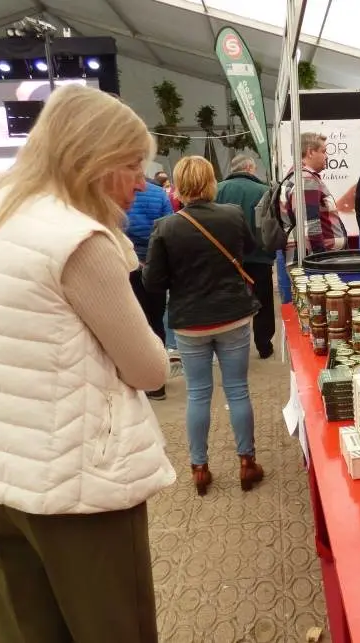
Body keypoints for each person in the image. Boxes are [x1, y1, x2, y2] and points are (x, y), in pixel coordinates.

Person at [0, 84, 174, 643]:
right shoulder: (77, 239)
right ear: (92, 158)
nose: (139, 181)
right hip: (72, 489)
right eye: (130, 164)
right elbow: (150, 369)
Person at [143, 155, 263, 496]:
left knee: (198, 393)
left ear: (179, 185)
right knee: (237, 389)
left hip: (189, 321)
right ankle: (246, 462)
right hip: (233, 314)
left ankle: (199, 467)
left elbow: (153, 282)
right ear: (211, 182)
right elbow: (251, 252)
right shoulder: (232, 216)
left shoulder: (166, 227)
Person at [217, 154, 274, 359]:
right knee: (263, 302)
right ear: (250, 168)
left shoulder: (217, 189)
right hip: (259, 256)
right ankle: (264, 345)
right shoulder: (264, 190)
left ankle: (230, 349)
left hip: (227, 257)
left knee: (230, 301)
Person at [125, 173, 175, 400]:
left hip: (128, 263)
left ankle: (140, 378)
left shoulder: (118, 193)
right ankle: (158, 380)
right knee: (156, 319)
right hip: (155, 264)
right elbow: (168, 227)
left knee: (135, 320)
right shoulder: (158, 194)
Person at [281, 132, 347, 263]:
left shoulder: (296, 176)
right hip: (317, 260)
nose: (327, 156)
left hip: (305, 257)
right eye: (323, 151)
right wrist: (319, 259)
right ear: (310, 152)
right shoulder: (306, 179)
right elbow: (310, 225)